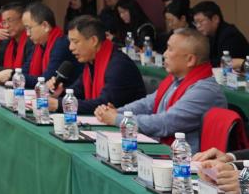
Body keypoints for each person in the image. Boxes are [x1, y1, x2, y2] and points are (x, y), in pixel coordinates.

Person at [94, 29, 224, 152]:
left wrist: (118, 119)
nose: (165, 54)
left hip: (184, 160)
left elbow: (165, 123)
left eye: (170, 49)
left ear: (190, 59)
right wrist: (115, 112)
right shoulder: (176, 81)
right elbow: (147, 104)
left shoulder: (204, 91)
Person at [48, 15, 145, 115]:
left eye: (75, 42)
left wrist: (60, 104)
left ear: (93, 41)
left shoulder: (119, 65)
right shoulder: (91, 63)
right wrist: (59, 94)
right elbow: (77, 91)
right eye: (70, 42)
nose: (70, 47)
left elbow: (103, 104)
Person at [191, 0, 249, 67]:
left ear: (215, 19)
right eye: (195, 22)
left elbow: (225, 63)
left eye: (201, 21)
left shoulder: (230, 35)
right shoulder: (209, 35)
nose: (198, 26)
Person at [0, 3, 31, 82]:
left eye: (10, 20)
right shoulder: (6, 42)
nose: (7, 26)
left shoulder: (31, 42)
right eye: (4, 22)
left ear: (23, 20)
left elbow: (26, 70)